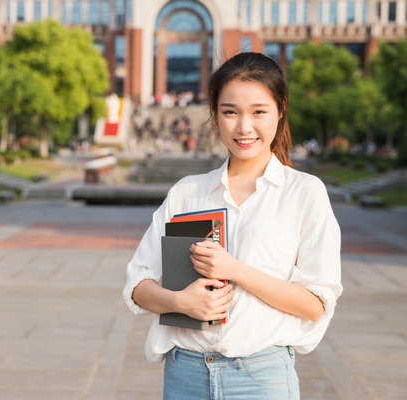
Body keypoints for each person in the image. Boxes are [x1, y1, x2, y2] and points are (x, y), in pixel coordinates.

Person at [122, 52, 342, 399]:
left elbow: (315, 303)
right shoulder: (188, 192)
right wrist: (180, 302)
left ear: (280, 109)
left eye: (258, 111)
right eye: (230, 112)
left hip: (261, 379)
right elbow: (138, 284)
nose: (244, 127)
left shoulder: (304, 193)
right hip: (185, 375)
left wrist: (234, 269)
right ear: (215, 114)